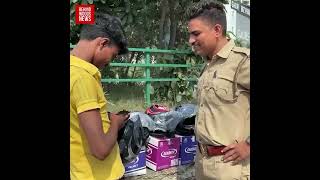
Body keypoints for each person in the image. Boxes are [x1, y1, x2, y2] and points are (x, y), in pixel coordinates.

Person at [187, 1, 250, 179]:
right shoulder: (208, 65)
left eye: (195, 34)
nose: (190, 40)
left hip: (230, 167)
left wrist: (248, 145)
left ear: (216, 30)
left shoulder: (242, 61)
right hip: (202, 163)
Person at [70, 13, 129, 180]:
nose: (109, 62)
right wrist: (115, 124)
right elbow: (100, 149)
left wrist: (105, 117)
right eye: (113, 55)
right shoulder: (83, 79)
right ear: (102, 43)